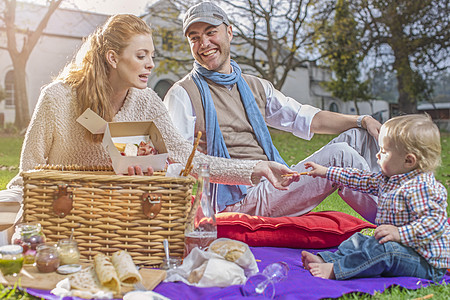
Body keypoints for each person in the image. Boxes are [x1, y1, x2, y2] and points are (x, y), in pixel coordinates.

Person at [0, 14, 299, 245]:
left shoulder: (147, 102)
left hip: (112, 216)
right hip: (57, 207)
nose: (151, 65)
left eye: (151, 56)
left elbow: (189, 159)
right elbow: (29, 172)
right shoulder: (58, 98)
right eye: (141, 56)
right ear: (113, 58)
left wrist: (255, 168)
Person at [164, 1, 382, 221]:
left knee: (359, 135)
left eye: (211, 33)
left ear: (229, 32)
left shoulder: (255, 85)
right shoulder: (183, 94)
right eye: (194, 38)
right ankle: (398, 223)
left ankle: (402, 198)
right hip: (237, 200)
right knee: (340, 155)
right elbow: (179, 160)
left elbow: (305, 118)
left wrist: (361, 119)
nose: (204, 43)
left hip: (273, 184)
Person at [301, 114, 449, 282]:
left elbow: (433, 225)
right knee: (360, 240)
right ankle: (329, 260)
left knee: (387, 250)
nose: (378, 155)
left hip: (425, 263)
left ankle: (337, 270)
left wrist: (400, 233)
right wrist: (326, 171)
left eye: (384, 151)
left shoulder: (422, 188)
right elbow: (359, 178)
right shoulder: (389, 179)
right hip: (401, 247)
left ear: (409, 160)